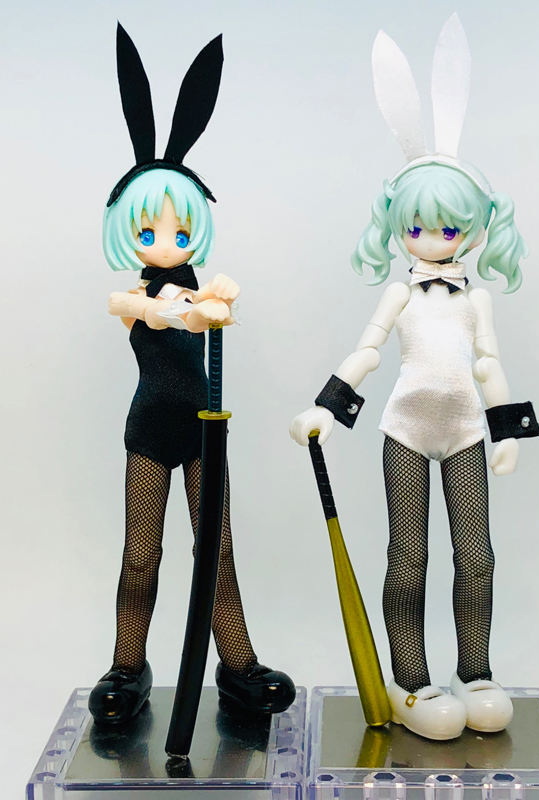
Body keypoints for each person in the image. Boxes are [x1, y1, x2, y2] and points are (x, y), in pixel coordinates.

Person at [289, 16, 539, 741]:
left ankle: (477, 672)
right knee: (408, 559)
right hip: (404, 428)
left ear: (475, 229)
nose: (432, 240)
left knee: (477, 557)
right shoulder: (401, 292)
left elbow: (488, 365)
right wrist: (325, 410)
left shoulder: (475, 299)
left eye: (448, 229)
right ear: (398, 226)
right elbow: (367, 352)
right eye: (419, 227)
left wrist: (507, 432)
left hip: (463, 431)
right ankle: (411, 680)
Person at [89, 25, 294, 726]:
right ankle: (127, 665)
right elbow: (152, 310)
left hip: (207, 432)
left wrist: (215, 303)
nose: (166, 243)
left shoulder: (202, 289)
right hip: (151, 430)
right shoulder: (133, 297)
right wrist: (188, 310)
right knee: (140, 555)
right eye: (150, 233)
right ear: (128, 230)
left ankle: (238, 666)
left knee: (218, 554)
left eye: (179, 232)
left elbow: (210, 311)